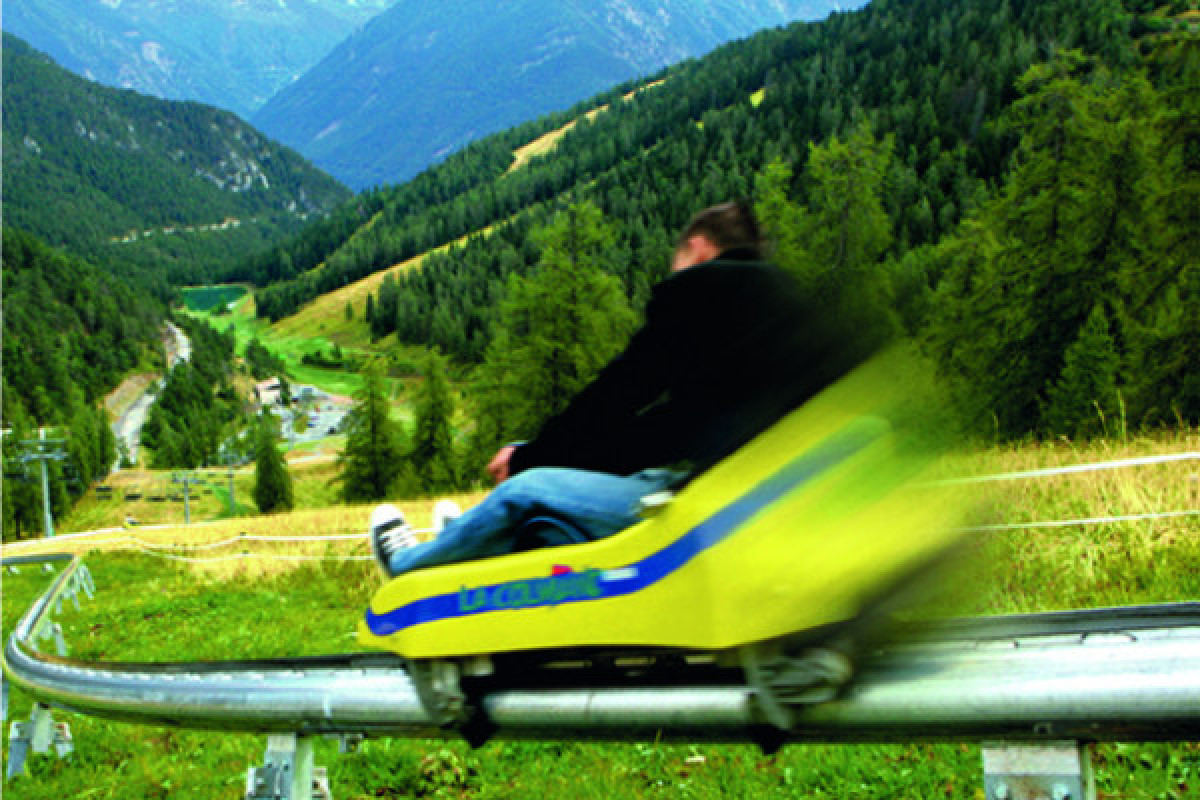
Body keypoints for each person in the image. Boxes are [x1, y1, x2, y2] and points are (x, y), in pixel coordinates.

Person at [370, 201, 879, 577]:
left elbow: (615, 397)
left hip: (703, 513)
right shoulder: (787, 310)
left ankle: (408, 564)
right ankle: (462, 544)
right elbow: (659, 434)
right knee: (583, 495)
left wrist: (529, 459)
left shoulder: (700, 293)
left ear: (697, 250)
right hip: (756, 505)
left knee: (523, 495)